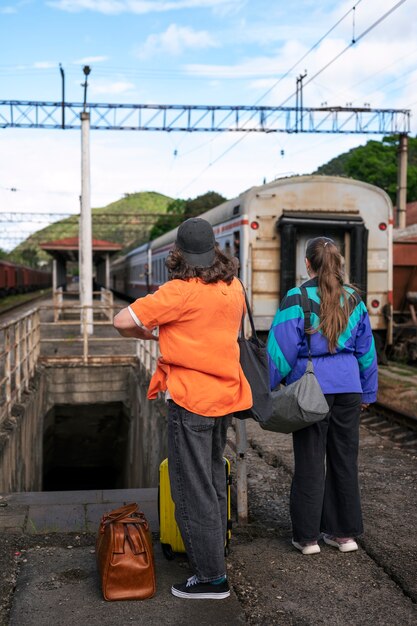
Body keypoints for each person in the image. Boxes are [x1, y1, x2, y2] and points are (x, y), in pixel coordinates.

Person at [113, 217, 252, 598]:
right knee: (211, 480)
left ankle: (211, 578)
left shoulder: (178, 292)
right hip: (224, 396)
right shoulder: (233, 287)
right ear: (215, 252)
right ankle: (215, 554)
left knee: (191, 490)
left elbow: (121, 319)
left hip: (190, 400)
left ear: (178, 254)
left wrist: (149, 331)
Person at [267, 236, 377, 555]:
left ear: (307, 264)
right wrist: (368, 391)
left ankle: (308, 538)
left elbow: (280, 352)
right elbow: (366, 351)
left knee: (311, 461)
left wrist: (266, 389)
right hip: (348, 388)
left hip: (311, 390)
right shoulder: (354, 298)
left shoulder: (296, 298)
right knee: (344, 460)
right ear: (338, 263)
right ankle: (344, 535)